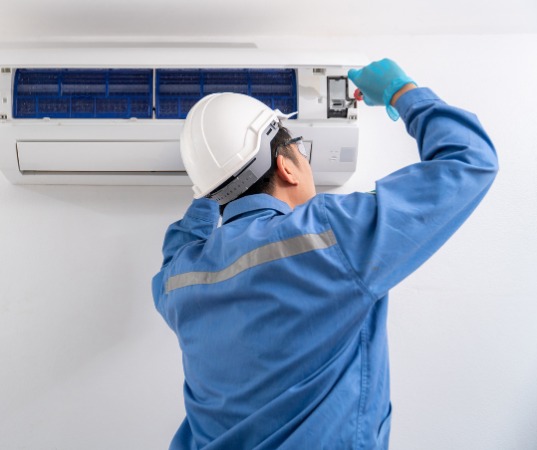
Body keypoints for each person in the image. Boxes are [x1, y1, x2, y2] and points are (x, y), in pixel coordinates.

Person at [151, 59, 498, 449]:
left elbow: (179, 245)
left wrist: (211, 186)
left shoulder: (179, 280)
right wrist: (401, 91)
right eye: (299, 150)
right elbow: (470, 162)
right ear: (286, 167)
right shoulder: (331, 234)